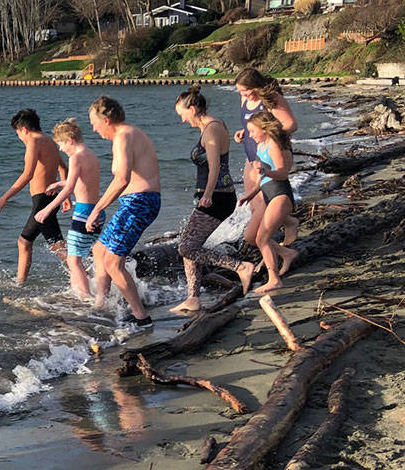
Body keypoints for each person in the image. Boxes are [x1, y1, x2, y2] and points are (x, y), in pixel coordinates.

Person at [171, 86, 255, 313]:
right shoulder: (211, 127)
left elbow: (215, 166)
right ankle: (193, 298)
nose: (182, 120)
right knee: (190, 245)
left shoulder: (211, 130)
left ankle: (241, 267)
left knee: (187, 247)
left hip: (218, 197)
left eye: (182, 114)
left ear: (193, 108)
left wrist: (207, 194)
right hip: (215, 196)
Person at [86, 96, 162, 326]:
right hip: (138, 201)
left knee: (113, 263)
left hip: (140, 203)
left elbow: (121, 179)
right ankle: (102, 305)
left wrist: (97, 208)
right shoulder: (128, 134)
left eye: (94, 122)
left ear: (107, 120)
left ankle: (141, 317)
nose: (93, 127)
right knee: (99, 250)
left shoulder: (122, 137)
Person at [32, 118, 107, 302]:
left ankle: (84, 299)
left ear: (70, 140)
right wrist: (59, 182)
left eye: (61, 144)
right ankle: (94, 293)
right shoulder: (90, 154)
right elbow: (82, 181)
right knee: (83, 257)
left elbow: (70, 187)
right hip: (97, 211)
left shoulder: (75, 158)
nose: (60, 149)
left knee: (74, 261)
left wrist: (48, 208)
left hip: (83, 213)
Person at [0, 108, 68, 285]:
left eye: (18, 134)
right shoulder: (49, 141)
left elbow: (27, 174)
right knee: (34, 242)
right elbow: (63, 168)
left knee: (48, 245)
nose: (20, 138)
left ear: (24, 129)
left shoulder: (33, 142)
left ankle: (90, 273)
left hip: (42, 201)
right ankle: (20, 283)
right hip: (50, 199)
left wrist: (5, 198)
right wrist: (65, 196)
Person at [234, 67, 298, 247]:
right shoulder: (245, 100)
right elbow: (252, 124)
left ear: (255, 86)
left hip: (271, 156)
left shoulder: (271, 99)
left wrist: (269, 136)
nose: (244, 95)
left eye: (246, 91)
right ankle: (285, 224)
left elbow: (291, 124)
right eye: (240, 92)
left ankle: (260, 239)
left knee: (264, 199)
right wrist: (244, 133)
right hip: (252, 156)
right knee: (254, 203)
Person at [238, 112, 299, 295]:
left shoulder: (273, 145)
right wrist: (251, 194)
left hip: (280, 194)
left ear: (264, 129)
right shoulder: (260, 146)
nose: (250, 134)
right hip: (266, 193)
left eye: (253, 130)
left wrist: (265, 171)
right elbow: (260, 180)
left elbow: (282, 173)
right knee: (250, 237)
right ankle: (286, 253)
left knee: (262, 238)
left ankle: (274, 280)